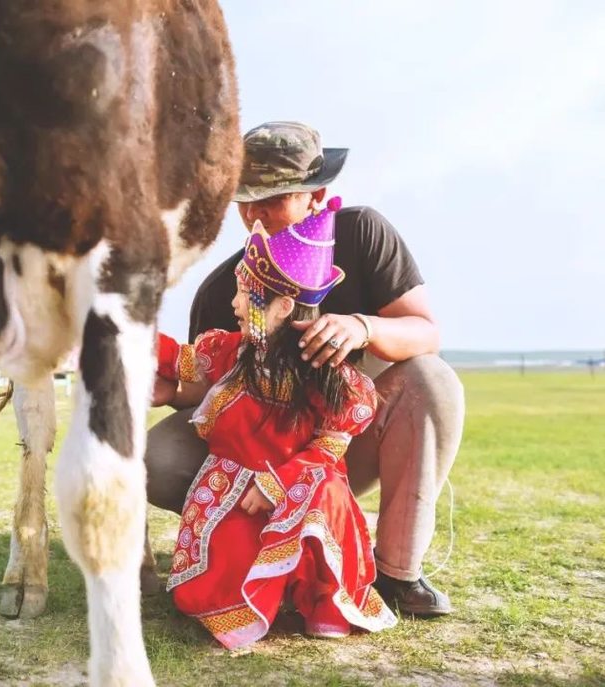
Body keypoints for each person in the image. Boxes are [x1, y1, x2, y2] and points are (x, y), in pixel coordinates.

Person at [146, 121, 464, 616]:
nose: (253, 214)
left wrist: (362, 327)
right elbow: (211, 385)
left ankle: (397, 572)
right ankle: (252, 552)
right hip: (256, 456)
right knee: (157, 456)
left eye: (272, 198)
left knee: (432, 381)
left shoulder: (362, 233)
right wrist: (169, 388)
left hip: (340, 445)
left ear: (316, 194)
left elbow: (426, 333)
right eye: (243, 199)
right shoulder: (221, 288)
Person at [153, 197, 396, 646]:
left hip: (296, 486)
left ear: (284, 306)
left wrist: (277, 485)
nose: (234, 303)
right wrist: (129, 331)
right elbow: (180, 360)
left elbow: (328, 449)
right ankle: (265, 595)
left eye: (245, 294)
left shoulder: (327, 374)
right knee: (205, 589)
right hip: (233, 487)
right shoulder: (233, 350)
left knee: (327, 495)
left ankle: (324, 600)